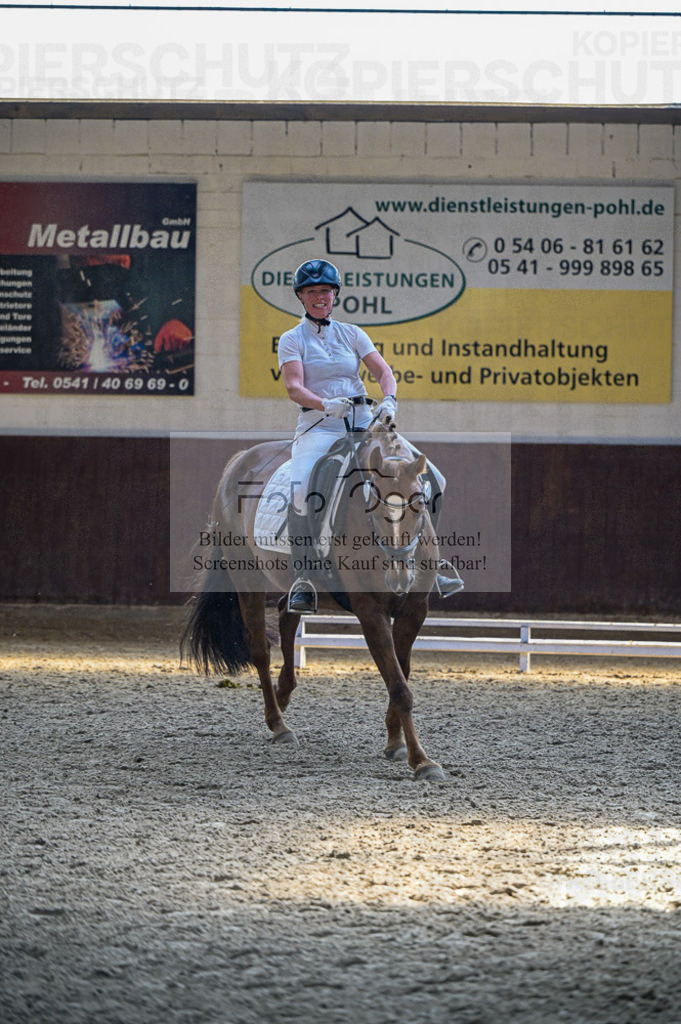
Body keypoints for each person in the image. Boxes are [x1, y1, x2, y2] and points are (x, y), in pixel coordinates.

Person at [278, 258, 463, 613]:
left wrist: (389, 400)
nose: (320, 297)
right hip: (320, 423)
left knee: (432, 478)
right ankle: (304, 576)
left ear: (335, 295)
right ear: (301, 297)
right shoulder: (291, 339)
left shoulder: (352, 332)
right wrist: (324, 404)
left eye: (326, 291)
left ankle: (433, 563)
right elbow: (294, 387)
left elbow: (382, 372)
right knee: (302, 489)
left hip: (366, 421)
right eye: (312, 292)